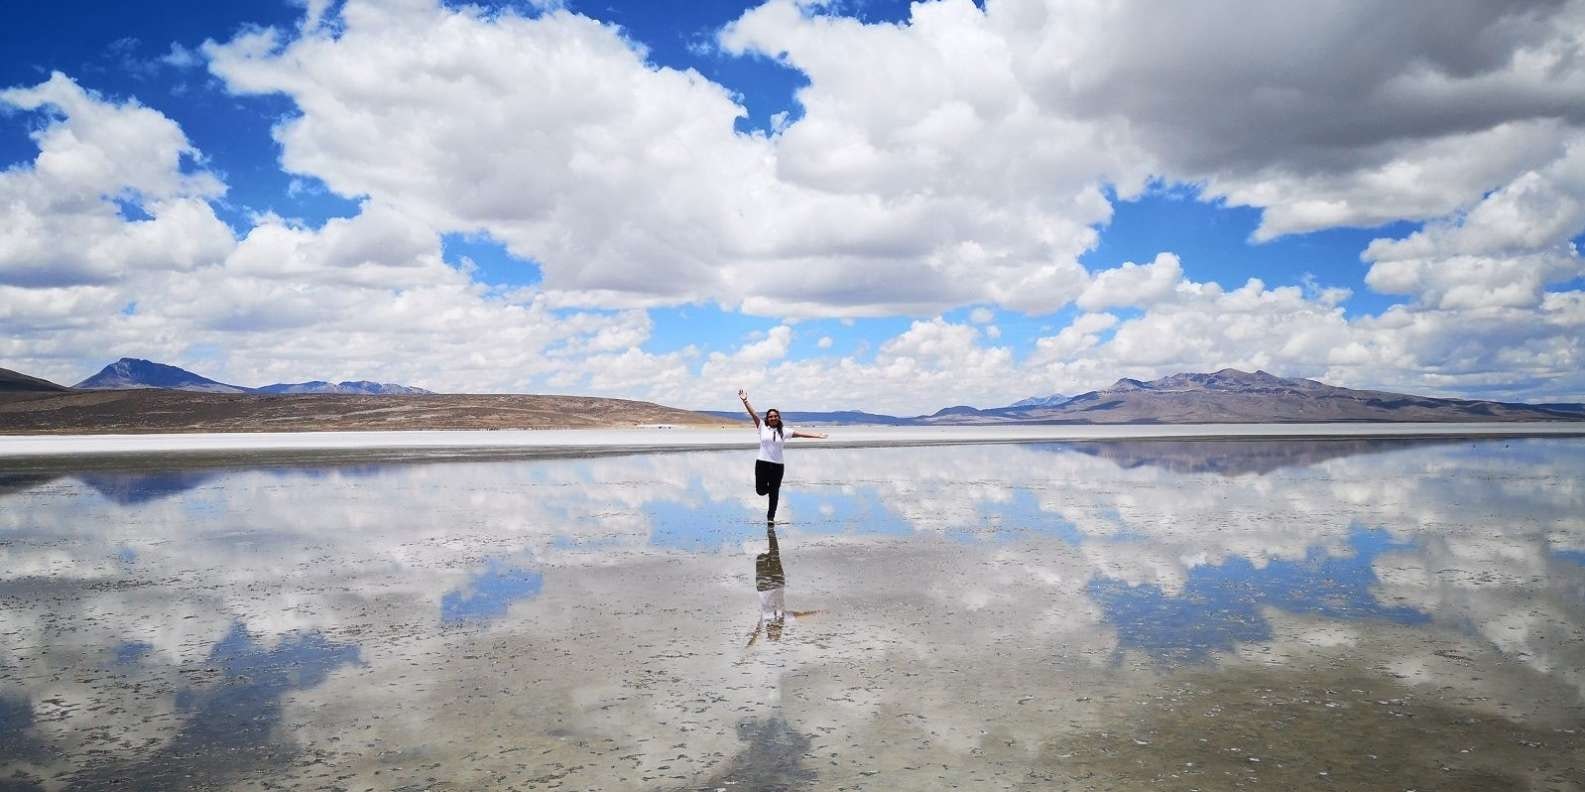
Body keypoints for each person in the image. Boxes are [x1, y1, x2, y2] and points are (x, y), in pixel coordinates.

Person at [737, 389, 827, 523]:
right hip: (762, 464)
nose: (773, 418)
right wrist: (745, 400)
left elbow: (800, 434)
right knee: (760, 491)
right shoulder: (762, 427)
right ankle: (772, 490)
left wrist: (817, 435)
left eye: (775, 416)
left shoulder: (784, 431)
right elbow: (753, 414)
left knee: (774, 493)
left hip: (778, 466)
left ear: (778, 418)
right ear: (767, 419)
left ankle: (770, 518)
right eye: (770, 416)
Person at [747, 525, 819, 646]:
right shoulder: (784, 618)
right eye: (777, 633)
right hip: (778, 582)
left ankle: (760, 549)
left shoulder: (764, 620)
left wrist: (748, 647)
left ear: (769, 630)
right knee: (774, 554)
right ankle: (771, 529)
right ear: (779, 630)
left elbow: (756, 635)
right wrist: (817, 612)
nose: (774, 630)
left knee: (761, 557)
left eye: (772, 633)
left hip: (763, 585)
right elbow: (801, 615)